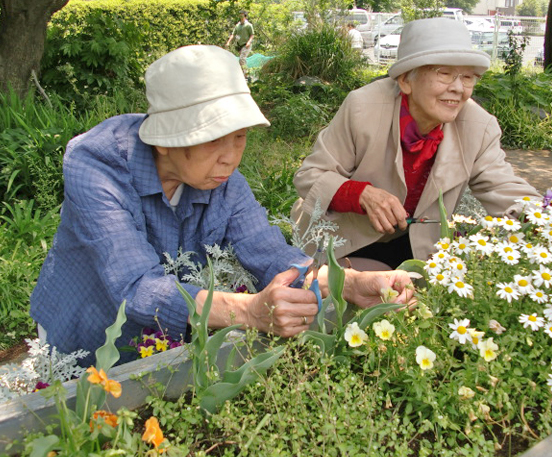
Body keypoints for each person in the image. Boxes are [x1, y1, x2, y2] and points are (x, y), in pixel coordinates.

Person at [30, 45, 414, 366]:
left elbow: (271, 256)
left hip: (167, 334)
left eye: (241, 137)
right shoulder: (97, 166)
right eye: (214, 139)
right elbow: (135, 288)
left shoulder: (224, 183)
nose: (230, 158)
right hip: (84, 325)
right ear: (164, 139)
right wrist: (248, 311)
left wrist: (352, 284)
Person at [292, 18, 541, 271]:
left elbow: (503, 186)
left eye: (467, 77)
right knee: (359, 299)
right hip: (346, 240)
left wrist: (550, 216)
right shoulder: (363, 108)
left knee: (414, 303)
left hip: (420, 248)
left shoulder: (479, 126)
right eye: (444, 73)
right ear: (405, 81)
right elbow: (309, 176)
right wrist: (361, 194)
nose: (457, 88)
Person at [225, 10, 254, 76]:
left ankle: (246, 75)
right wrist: (228, 42)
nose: (240, 16)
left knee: (242, 59)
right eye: (240, 14)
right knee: (241, 60)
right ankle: (242, 74)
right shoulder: (238, 25)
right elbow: (233, 34)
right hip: (239, 45)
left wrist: (249, 42)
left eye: (242, 14)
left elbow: (252, 35)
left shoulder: (249, 25)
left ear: (245, 16)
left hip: (246, 45)